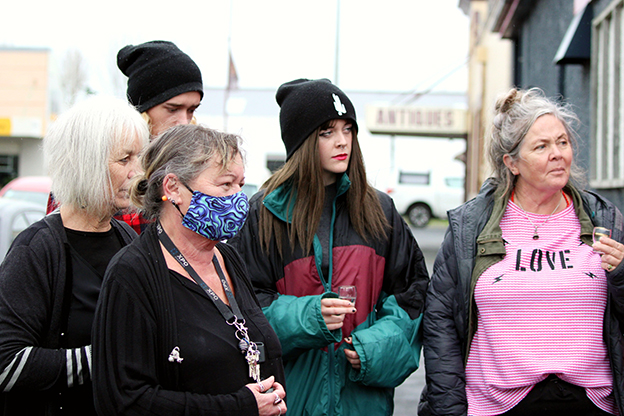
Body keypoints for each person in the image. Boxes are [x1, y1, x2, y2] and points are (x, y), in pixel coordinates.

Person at [228, 78, 429, 415]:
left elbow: (413, 296)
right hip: (290, 402)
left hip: (362, 403)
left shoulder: (380, 210)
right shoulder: (263, 213)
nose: (342, 142)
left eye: (348, 129)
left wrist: (372, 348)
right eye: (326, 132)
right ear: (302, 142)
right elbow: (241, 306)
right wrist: (307, 317)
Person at [418, 88, 624, 416]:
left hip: (590, 403)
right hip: (496, 406)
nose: (557, 153)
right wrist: (449, 409)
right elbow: (440, 320)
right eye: (541, 146)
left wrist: (622, 274)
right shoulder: (471, 226)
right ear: (512, 162)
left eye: (562, 142)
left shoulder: (605, 218)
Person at [92, 124, 287, 416]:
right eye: (225, 185)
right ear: (173, 188)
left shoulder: (227, 258)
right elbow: (126, 401)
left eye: (239, 184)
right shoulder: (132, 274)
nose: (238, 198)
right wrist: (240, 407)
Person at [0, 95, 149, 415]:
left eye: (140, 158)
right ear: (86, 162)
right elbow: (6, 364)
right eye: (125, 160)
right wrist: (106, 359)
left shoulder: (127, 239)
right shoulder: (37, 249)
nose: (138, 173)